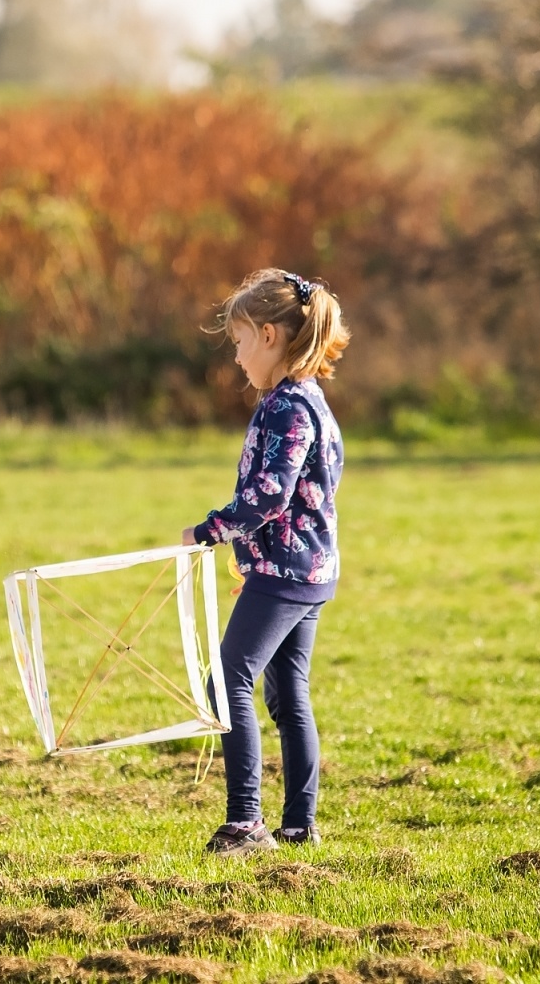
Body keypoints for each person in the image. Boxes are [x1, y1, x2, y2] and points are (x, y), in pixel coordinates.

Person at [181, 270, 350, 856]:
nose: (236, 356)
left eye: (239, 341)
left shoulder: (286, 407)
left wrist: (210, 531)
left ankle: (245, 823)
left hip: (285, 575)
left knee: (227, 680)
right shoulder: (310, 400)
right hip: (304, 572)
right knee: (288, 696)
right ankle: (299, 825)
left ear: (270, 336)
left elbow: (269, 496)